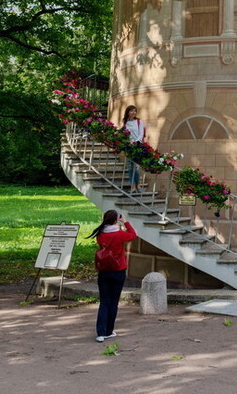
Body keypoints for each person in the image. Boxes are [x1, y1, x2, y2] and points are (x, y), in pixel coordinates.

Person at [88, 209, 137, 342]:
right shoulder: (119, 234)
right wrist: (125, 222)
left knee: (104, 302)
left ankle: (100, 332)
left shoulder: (100, 233)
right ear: (116, 220)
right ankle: (109, 331)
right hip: (118, 270)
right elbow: (133, 235)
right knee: (113, 302)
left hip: (103, 270)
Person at [122, 105, 145, 193]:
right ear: (128, 112)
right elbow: (125, 134)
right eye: (131, 111)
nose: (133, 112)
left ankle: (138, 185)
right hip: (128, 147)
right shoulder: (125, 122)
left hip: (137, 147)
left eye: (135, 111)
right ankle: (132, 186)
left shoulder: (139, 122)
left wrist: (135, 143)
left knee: (136, 167)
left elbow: (141, 134)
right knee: (130, 167)